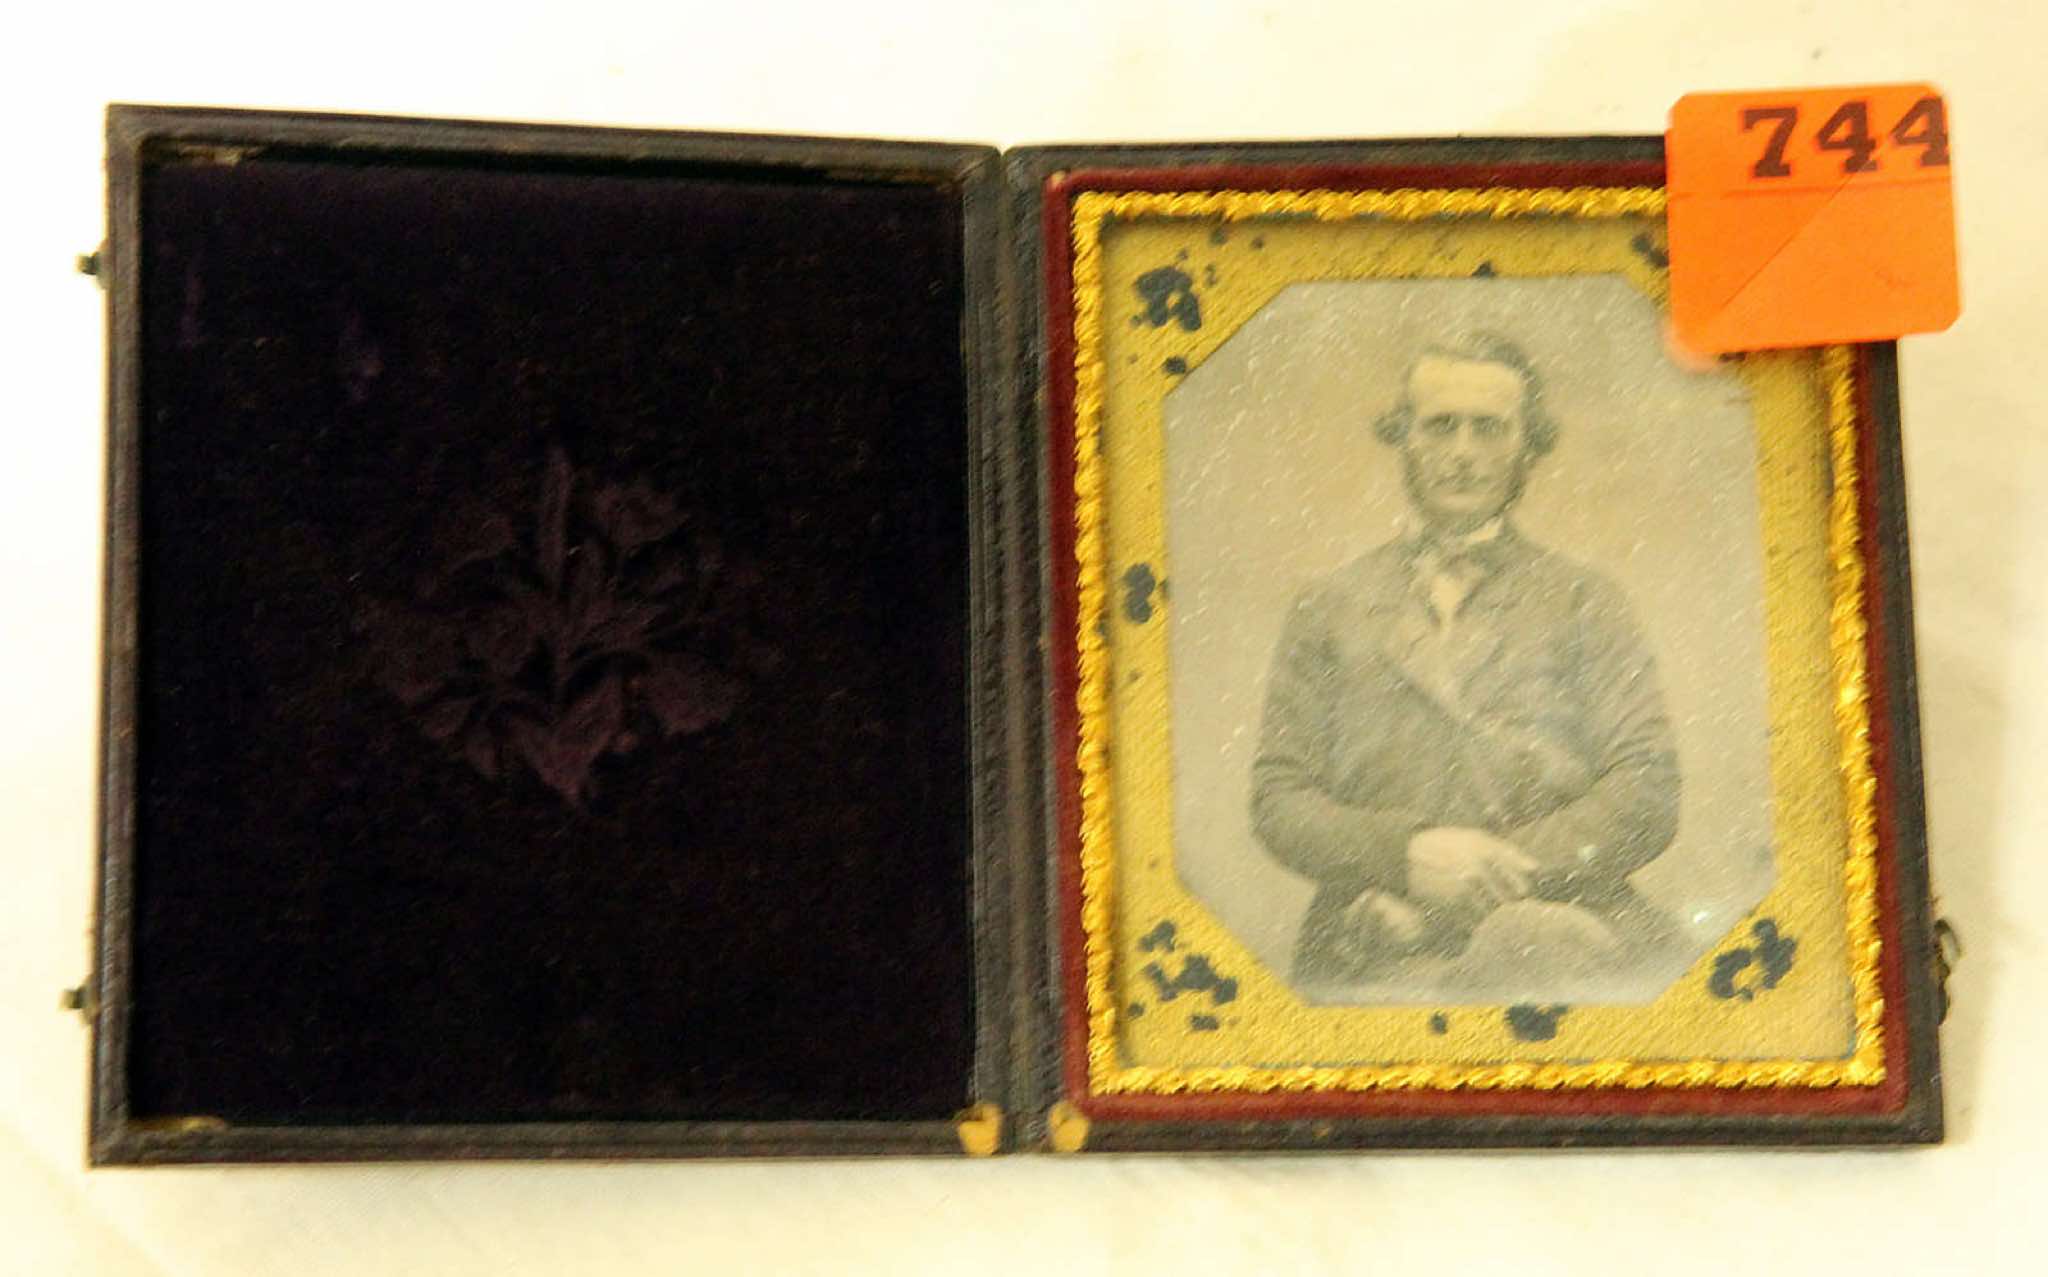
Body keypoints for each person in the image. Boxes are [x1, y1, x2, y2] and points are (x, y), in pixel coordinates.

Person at [1248, 332, 1681, 996]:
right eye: (1440, 426)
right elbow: (1280, 798)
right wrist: (1404, 855)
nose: (1463, 453)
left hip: (1563, 921)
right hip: (1371, 936)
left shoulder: (1584, 599)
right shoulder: (1328, 606)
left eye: (1489, 429)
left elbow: (1646, 789)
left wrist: (1478, 883)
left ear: (1528, 445)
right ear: (1403, 437)